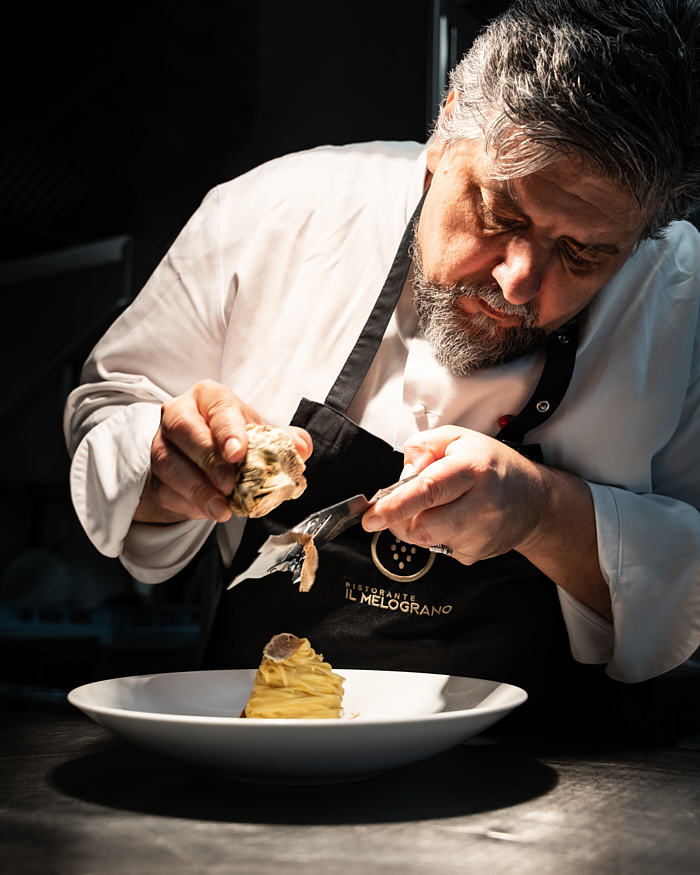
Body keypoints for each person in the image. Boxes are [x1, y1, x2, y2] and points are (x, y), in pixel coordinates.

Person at [64, 0, 700, 737]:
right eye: (500, 215)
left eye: (583, 254)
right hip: (260, 751)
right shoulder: (275, 214)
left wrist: (540, 512)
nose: (519, 283)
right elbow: (110, 412)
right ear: (446, 130)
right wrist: (166, 465)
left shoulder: (681, 297)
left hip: (553, 778)